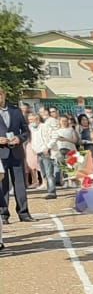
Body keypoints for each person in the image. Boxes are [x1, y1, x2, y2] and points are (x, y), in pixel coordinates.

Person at [0, 88, 33, 223]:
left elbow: (26, 130)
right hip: (1, 153)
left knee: (20, 185)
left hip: (16, 151)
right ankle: (3, 214)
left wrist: (19, 138)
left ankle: (24, 213)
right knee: (3, 186)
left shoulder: (15, 110)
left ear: (4, 95)